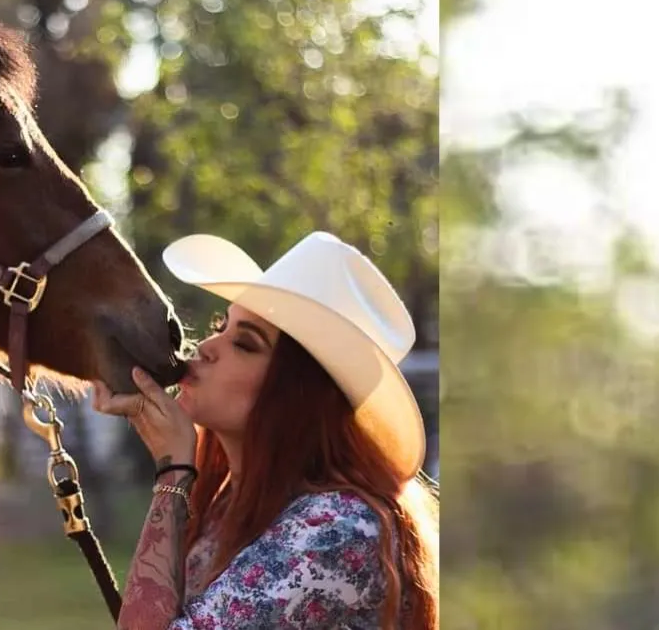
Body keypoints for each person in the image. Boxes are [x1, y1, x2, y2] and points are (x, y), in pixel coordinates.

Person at [92, 231, 439, 629]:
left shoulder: (338, 529)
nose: (206, 346)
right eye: (222, 325)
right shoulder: (230, 507)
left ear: (298, 395)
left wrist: (172, 473)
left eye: (244, 343)